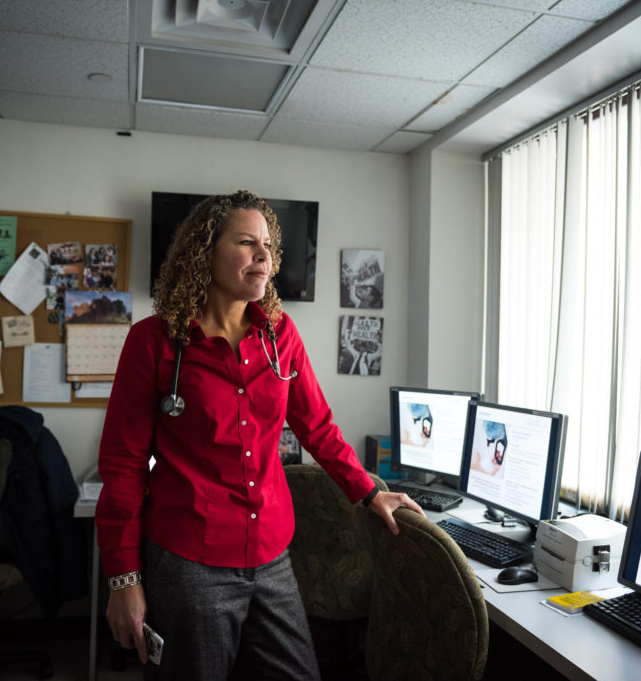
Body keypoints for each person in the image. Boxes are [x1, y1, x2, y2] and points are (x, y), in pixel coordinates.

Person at [96, 190, 423, 680]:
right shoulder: (155, 341)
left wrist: (369, 490)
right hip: (189, 563)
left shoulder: (280, 334)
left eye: (267, 244)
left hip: (271, 556)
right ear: (205, 252)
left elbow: (317, 427)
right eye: (246, 242)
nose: (264, 256)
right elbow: (122, 467)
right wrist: (124, 580)